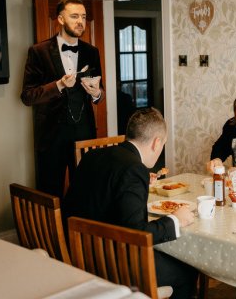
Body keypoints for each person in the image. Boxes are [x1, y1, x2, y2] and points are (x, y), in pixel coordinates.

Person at [63, 107, 197, 298]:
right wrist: (175, 220)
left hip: (79, 251)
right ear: (156, 143)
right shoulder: (133, 169)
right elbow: (137, 233)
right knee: (188, 269)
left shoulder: (92, 156)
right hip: (111, 262)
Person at [21, 0, 103, 198]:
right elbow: (27, 96)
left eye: (83, 17)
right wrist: (58, 85)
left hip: (84, 134)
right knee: (50, 193)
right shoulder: (38, 51)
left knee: (85, 192)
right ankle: (51, 231)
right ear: (60, 19)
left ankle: (78, 230)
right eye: (74, 16)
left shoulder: (92, 52)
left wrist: (97, 93)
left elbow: (99, 92)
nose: (80, 22)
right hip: (51, 137)